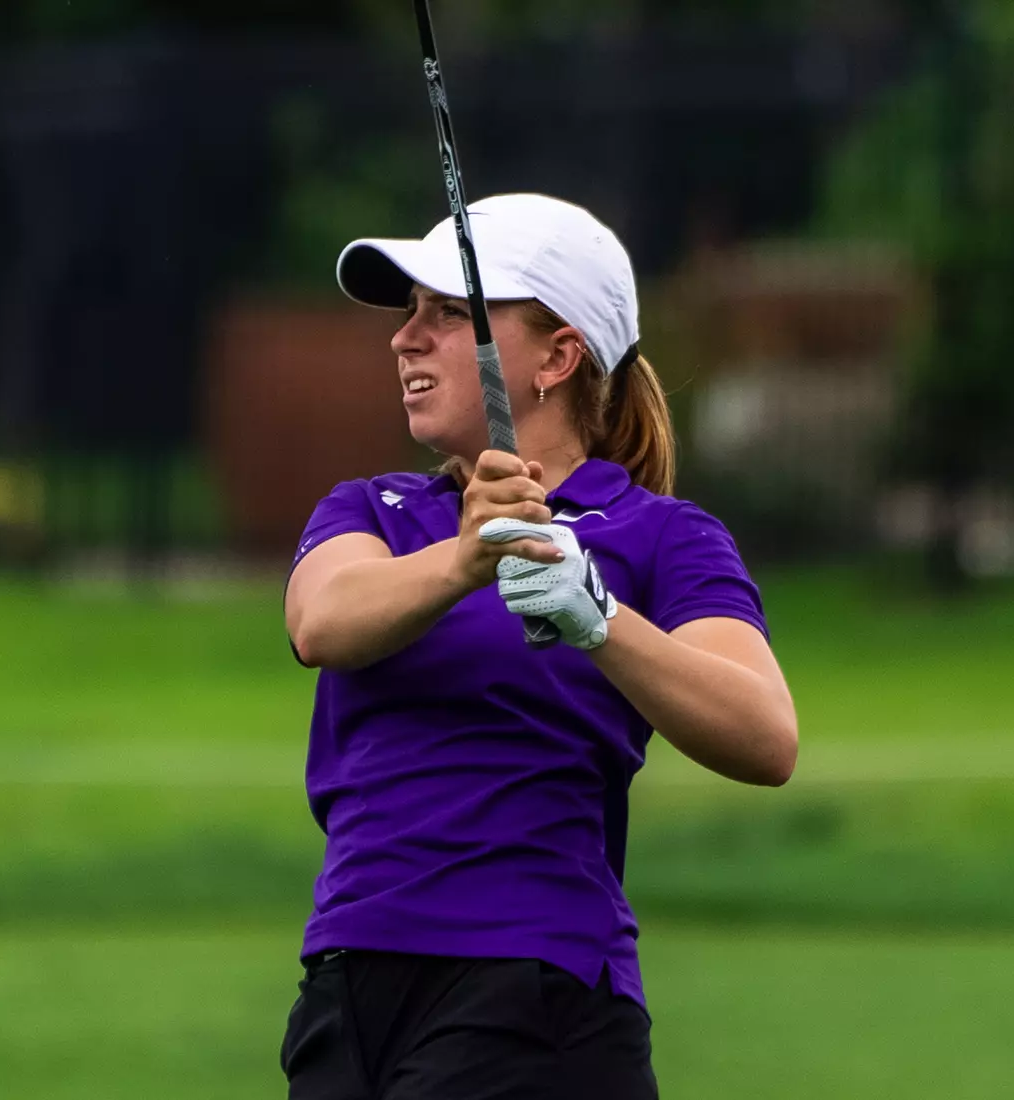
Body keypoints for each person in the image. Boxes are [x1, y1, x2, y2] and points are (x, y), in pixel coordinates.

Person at [279, 193, 798, 1100]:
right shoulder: (374, 511)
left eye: (449, 312)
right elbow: (322, 624)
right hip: (345, 981)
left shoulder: (659, 536)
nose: (406, 337)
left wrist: (596, 614)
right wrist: (466, 559)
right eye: (410, 313)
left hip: (532, 986)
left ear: (558, 356)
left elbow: (763, 735)